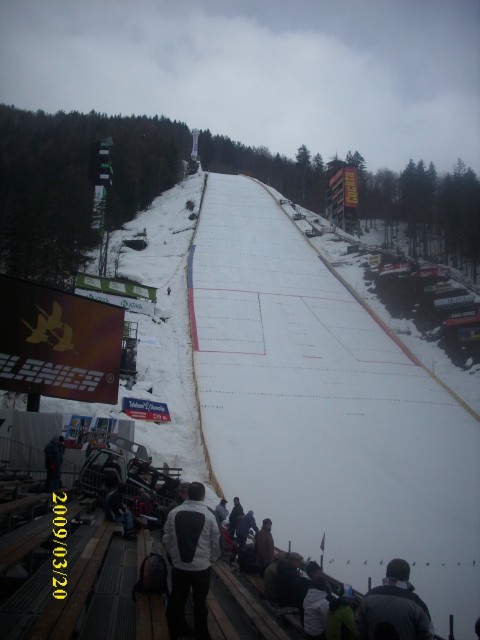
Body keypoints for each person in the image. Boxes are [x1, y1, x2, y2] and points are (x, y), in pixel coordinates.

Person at [163, 481, 221, 640]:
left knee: (177, 597)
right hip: (201, 569)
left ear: (188, 494)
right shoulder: (209, 516)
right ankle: (201, 633)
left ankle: (175, 629)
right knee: (200, 601)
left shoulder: (174, 512)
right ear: (203, 496)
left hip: (179, 566)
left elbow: (166, 538)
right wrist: (212, 558)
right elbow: (216, 542)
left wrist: (174, 556)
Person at [355, 558, 435, 639]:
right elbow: (428, 635)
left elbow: (358, 631)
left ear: (387, 573)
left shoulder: (367, 598)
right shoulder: (417, 604)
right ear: (407, 576)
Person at [302, 564, 331, 639]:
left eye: (320, 573)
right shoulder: (322, 602)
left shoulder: (310, 593)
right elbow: (326, 621)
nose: (319, 575)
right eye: (316, 573)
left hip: (308, 628)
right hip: (316, 633)